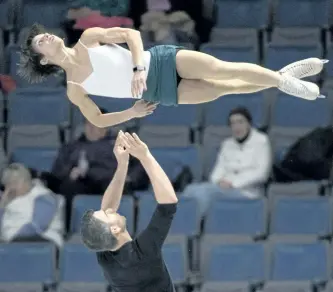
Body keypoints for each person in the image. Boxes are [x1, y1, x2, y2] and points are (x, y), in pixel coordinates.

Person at [19, 24, 327, 128]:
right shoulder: (74, 89)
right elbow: (98, 120)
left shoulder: (88, 37)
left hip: (161, 62)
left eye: (44, 34)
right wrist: (132, 112)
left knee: (223, 69)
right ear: (44, 59)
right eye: (40, 42)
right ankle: (281, 78)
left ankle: (283, 81)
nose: (46, 36)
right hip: (157, 94)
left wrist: (139, 67)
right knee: (223, 89)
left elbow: (131, 34)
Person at [80, 131, 178, 291]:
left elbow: (108, 207)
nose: (108, 210)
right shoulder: (143, 253)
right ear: (115, 229)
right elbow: (168, 204)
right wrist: (145, 156)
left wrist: (122, 163)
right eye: (106, 214)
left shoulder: (106, 255)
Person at [183, 107, 272, 217]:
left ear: (249, 123)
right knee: (190, 189)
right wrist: (219, 182)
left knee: (202, 193)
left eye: (240, 122)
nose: (237, 127)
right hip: (223, 188)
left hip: (248, 192)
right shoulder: (227, 144)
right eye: (233, 123)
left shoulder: (261, 141)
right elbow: (217, 171)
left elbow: (261, 173)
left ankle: (193, 223)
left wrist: (233, 183)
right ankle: (188, 223)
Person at [0, 163, 64, 247]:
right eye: (8, 184)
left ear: (26, 181)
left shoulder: (44, 197)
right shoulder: (8, 198)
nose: (11, 188)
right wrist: (2, 205)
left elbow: (37, 227)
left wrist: (11, 242)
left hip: (41, 240)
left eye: (15, 183)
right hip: (11, 242)